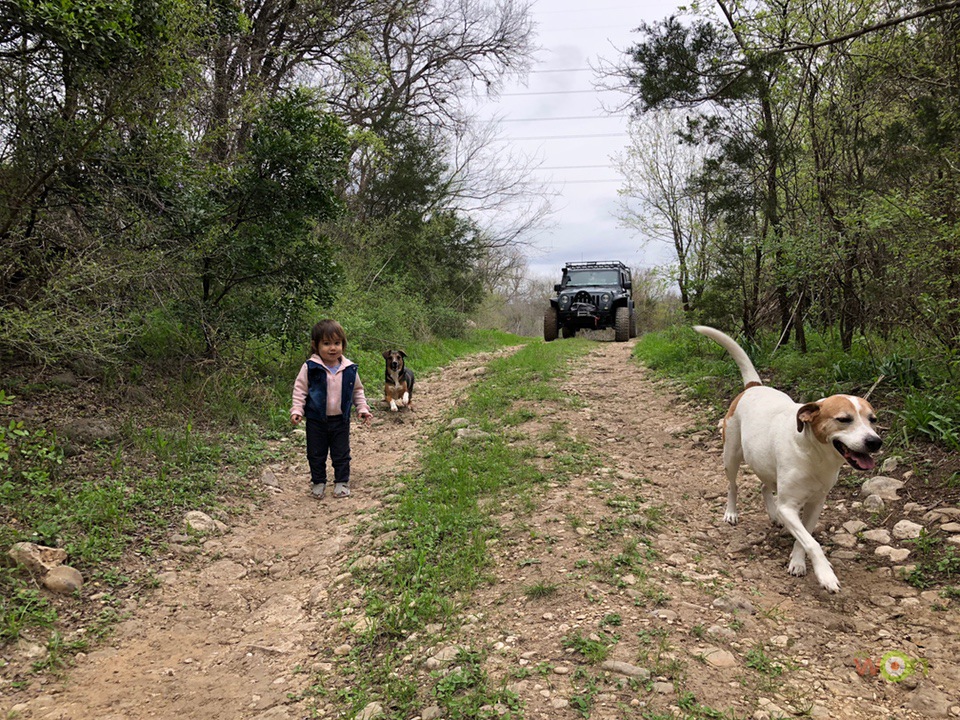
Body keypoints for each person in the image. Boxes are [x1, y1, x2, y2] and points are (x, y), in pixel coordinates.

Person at [291, 319, 373, 499]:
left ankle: (342, 482)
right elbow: (300, 390)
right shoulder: (310, 368)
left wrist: (362, 408)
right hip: (316, 420)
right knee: (315, 453)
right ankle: (318, 482)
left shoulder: (349, 369)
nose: (332, 348)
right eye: (326, 344)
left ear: (343, 344)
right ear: (315, 345)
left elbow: (357, 391)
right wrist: (297, 410)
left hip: (340, 420)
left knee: (341, 453)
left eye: (337, 343)